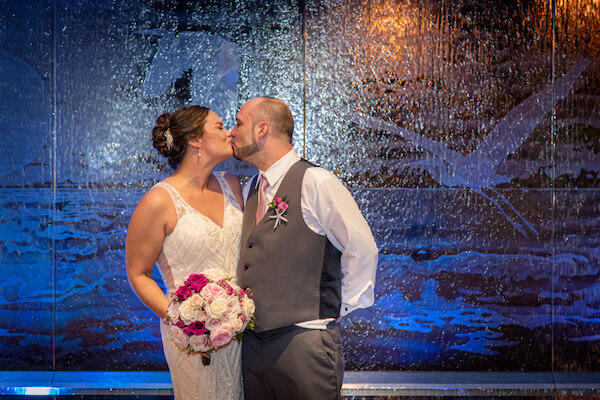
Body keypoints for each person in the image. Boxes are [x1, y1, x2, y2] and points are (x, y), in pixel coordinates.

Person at [230, 96, 379, 400]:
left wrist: (340, 306)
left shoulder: (316, 182)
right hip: (253, 347)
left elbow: (362, 247)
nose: (232, 131)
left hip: (304, 343)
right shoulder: (251, 189)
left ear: (262, 129)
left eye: (238, 122)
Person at [126, 105, 245, 400]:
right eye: (219, 126)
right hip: (193, 341)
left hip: (243, 332)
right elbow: (138, 274)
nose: (229, 132)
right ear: (195, 140)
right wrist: (183, 320)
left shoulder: (231, 184)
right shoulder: (158, 201)